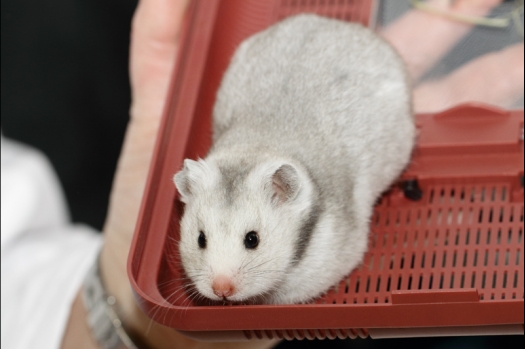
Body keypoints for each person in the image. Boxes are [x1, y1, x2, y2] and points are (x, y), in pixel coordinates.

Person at [1, 0, 522, 348]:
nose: (220, 281)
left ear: (286, 191)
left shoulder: (325, 232)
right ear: (185, 199)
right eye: (201, 240)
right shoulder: (204, 185)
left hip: (345, 84)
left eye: (251, 239)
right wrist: (130, 317)